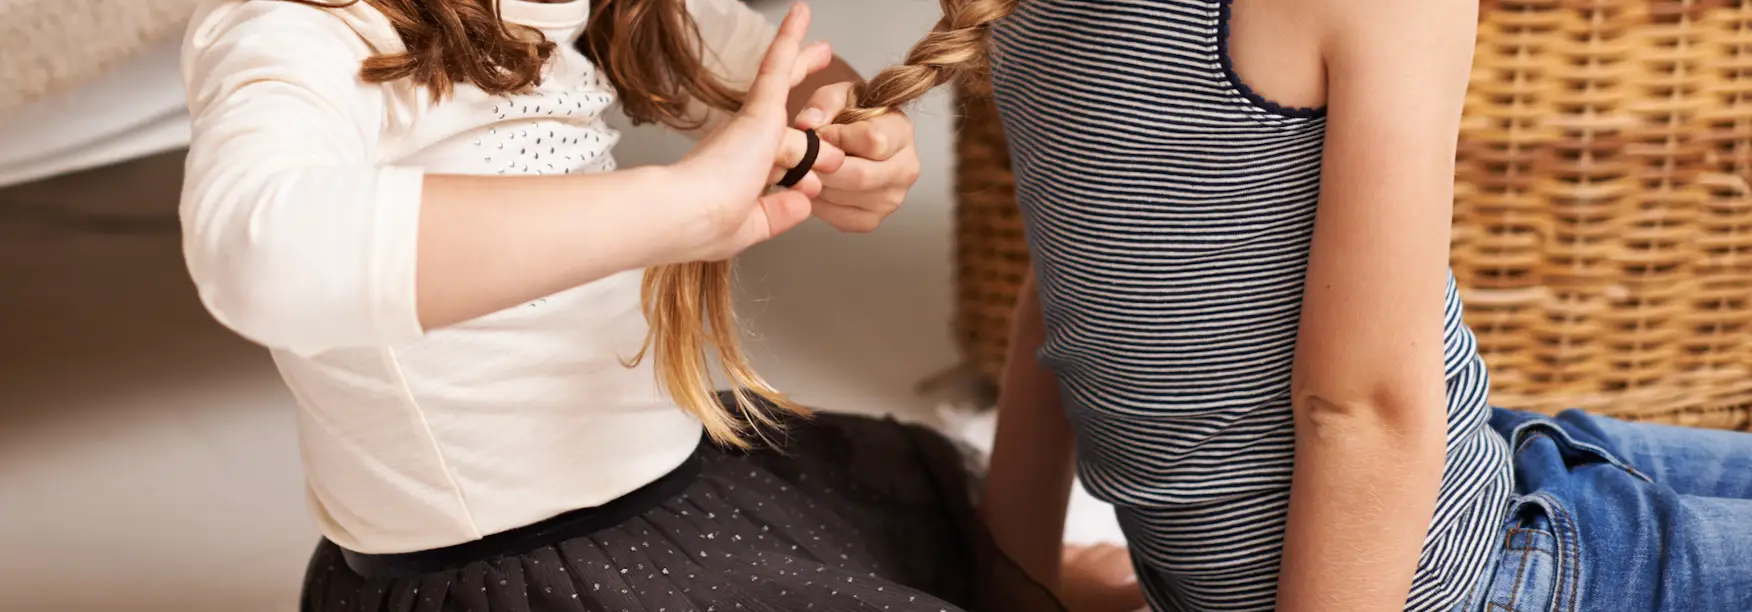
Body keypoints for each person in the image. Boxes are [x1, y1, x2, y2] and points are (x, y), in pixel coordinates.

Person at [836, 0, 1752, 610]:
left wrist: (1022, 578)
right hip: (1448, 573)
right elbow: (1361, 414)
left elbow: (1063, 299)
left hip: (1475, 476)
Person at [179, 1, 1086, 610]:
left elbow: (752, 59)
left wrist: (843, 128)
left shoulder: (560, 7)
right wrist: (683, 209)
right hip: (525, 574)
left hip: (675, 490)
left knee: (933, 513)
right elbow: (259, 250)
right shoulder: (296, 32)